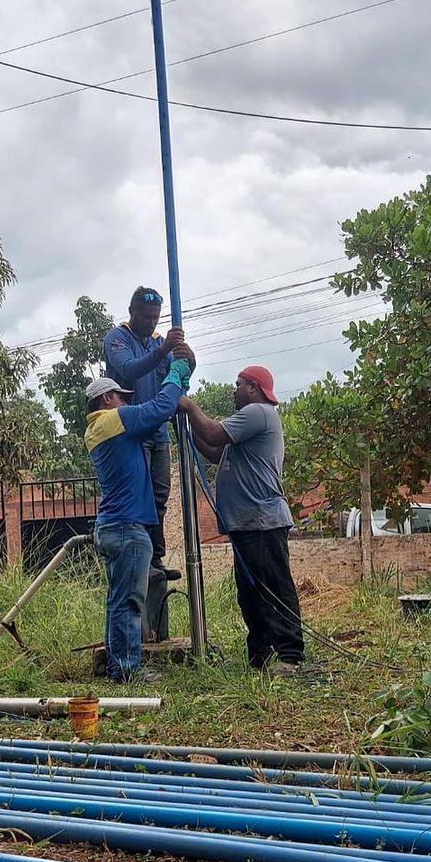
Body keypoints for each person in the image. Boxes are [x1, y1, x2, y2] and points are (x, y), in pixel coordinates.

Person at [178, 365, 305, 674]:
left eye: (237, 385)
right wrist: (185, 426)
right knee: (251, 593)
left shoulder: (258, 413)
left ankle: (290, 654)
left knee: (274, 586)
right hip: (248, 523)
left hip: (262, 520)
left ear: (253, 387)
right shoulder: (248, 425)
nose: (233, 390)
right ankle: (259, 655)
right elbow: (212, 450)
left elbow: (212, 432)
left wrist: (187, 405)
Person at [84, 356, 191, 682]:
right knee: (129, 603)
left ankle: (118, 667)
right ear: (107, 398)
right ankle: (127, 671)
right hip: (127, 528)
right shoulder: (111, 420)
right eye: (121, 396)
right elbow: (157, 409)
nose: (126, 401)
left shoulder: (97, 430)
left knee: (117, 601)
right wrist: (176, 374)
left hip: (114, 526)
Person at [103, 287, 196, 577]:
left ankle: (155, 560)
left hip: (158, 431)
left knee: (159, 495)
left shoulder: (157, 342)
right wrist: (164, 350)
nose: (151, 323)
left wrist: (188, 360)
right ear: (132, 312)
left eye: (156, 318)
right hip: (130, 430)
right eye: (146, 317)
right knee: (138, 495)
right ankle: (140, 561)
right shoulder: (118, 338)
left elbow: (177, 377)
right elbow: (129, 370)